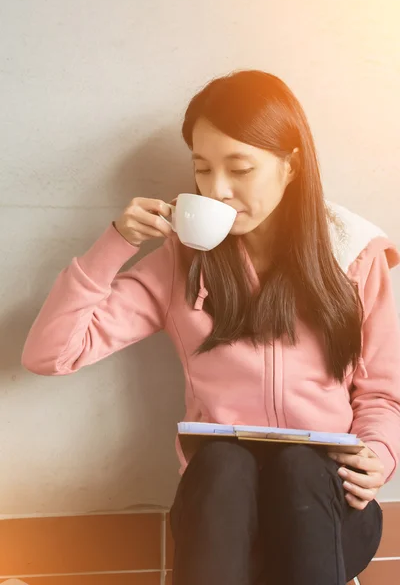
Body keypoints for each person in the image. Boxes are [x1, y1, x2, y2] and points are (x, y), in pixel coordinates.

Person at [22, 70, 400, 585]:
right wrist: (116, 242)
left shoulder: (354, 257)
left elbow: (382, 392)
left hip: (327, 512)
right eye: (202, 169)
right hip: (221, 518)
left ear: (290, 166)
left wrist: (378, 455)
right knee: (223, 461)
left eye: (240, 168)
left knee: (301, 468)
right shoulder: (184, 263)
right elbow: (51, 354)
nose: (217, 190)